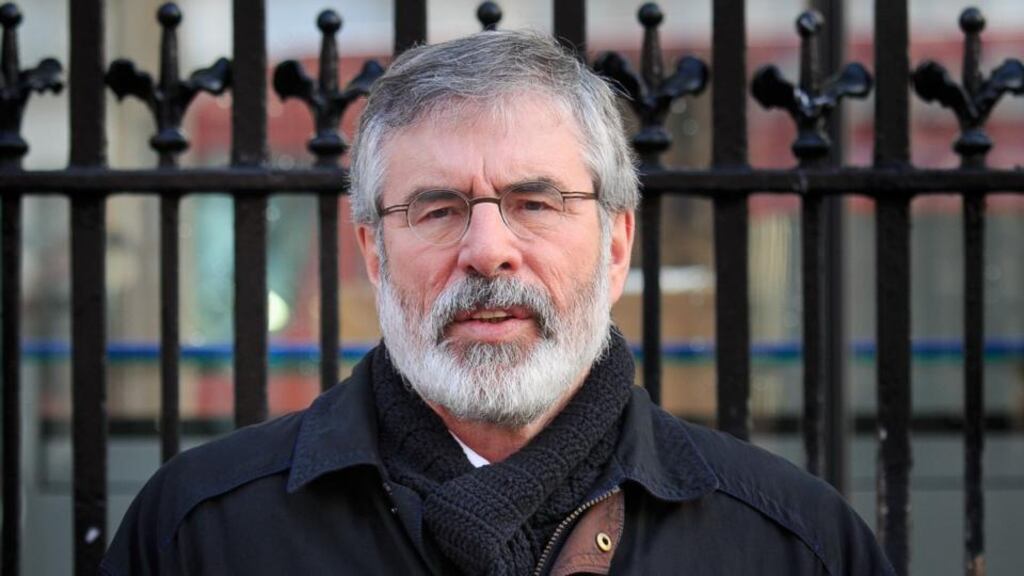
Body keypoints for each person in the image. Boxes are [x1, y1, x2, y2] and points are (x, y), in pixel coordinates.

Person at [102, 30, 894, 575]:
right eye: (438, 208)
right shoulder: (201, 534)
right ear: (373, 251)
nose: (487, 249)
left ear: (616, 245)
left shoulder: (793, 548)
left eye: (535, 203)